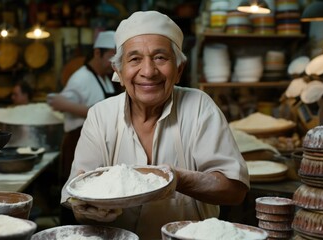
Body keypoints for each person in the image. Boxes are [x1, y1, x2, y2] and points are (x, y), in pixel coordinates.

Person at [60, 11, 250, 239]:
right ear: (119, 71)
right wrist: (83, 210)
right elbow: (77, 192)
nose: (148, 72)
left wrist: (178, 180)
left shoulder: (199, 107)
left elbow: (234, 190)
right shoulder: (101, 116)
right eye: (134, 59)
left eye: (160, 57)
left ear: (178, 70)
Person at [49, 30, 122, 224]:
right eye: (111, 57)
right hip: (76, 142)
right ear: (97, 53)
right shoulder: (80, 78)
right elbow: (58, 102)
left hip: (99, 144)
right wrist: (96, 113)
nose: (114, 63)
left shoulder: (106, 77)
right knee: (74, 194)